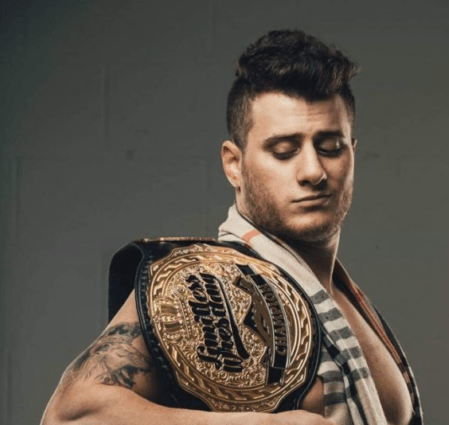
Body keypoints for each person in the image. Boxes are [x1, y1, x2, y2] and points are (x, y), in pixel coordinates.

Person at [41, 30, 422, 425]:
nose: (313, 171)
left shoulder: (346, 302)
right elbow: (69, 418)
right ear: (234, 165)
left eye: (330, 147)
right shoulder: (202, 285)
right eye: (284, 151)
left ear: (352, 153)